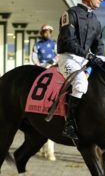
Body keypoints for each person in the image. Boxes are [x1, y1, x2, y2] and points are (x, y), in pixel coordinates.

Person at [57, 0, 105, 140]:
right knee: (80, 82)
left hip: (86, 60)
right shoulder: (70, 14)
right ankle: (70, 124)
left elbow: (99, 47)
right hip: (68, 58)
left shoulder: (95, 20)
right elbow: (68, 42)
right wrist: (89, 56)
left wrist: (100, 60)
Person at [31, 24, 57, 161]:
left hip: (52, 68)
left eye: (48, 31)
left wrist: (50, 64)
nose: (46, 33)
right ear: (42, 32)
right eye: (44, 31)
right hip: (40, 69)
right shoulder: (37, 45)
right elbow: (34, 57)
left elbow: (58, 56)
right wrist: (40, 65)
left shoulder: (54, 44)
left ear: (51, 32)